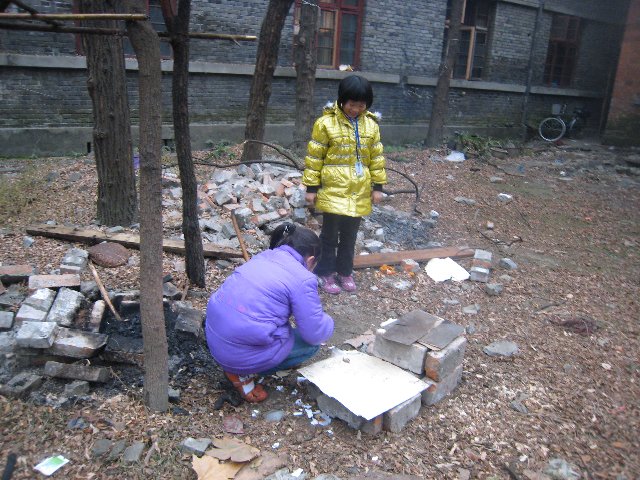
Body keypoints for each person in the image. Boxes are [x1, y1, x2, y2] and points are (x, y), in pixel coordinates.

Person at [205, 223, 334, 403]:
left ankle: (237, 363)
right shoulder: (302, 278)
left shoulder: (263, 257)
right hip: (237, 353)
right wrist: (328, 321)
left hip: (216, 340)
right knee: (310, 345)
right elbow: (314, 333)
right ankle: (243, 373)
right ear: (311, 260)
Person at [303, 74, 387, 295]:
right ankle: (325, 272)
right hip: (332, 190)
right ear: (342, 100)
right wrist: (311, 189)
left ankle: (345, 271)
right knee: (330, 236)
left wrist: (378, 187)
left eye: (361, 105)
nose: (355, 109)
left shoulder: (371, 126)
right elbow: (314, 159)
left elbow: (376, 158)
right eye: (351, 104)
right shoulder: (325, 124)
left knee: (350, 237)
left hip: (359, 191)